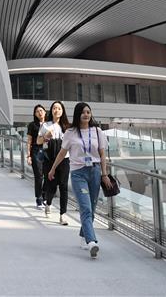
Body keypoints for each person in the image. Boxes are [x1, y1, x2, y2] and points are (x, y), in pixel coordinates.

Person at [49, 102, 112, 259]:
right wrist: (53, 168)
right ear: (78, 114)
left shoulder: (97, 131)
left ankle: (84, 236)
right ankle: (91, 241)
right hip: (78, 173)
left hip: (95, 172)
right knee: (86, 208)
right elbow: (62, 153)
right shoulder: (71, 132)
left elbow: (102, 154)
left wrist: (104, 174)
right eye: (83, 112)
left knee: (92, 207)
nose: (86, 114)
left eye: (88, 112)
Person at [38, 100, 70, 224]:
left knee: (63, 186)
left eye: (59, 108)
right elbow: (38, 141)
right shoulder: (46, 125)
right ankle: (48, 203)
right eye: (54, 108)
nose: (57, 110)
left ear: (63, 111)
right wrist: (46, 136)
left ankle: (63, 214)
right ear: (51, 111)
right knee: (51, 185)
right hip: (49, 159)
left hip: (64, 159)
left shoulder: (67, 127)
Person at [26, 104, 46, 209]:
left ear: (45, 112)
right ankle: (39, 198)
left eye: (41, 110)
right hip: (36, 151)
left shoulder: (50, 124)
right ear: (35, 114)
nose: (40, 112)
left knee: (48, 175)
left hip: (48, 151)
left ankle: (45, 196)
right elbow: (29, 141)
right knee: (38, 176)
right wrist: (28, 155)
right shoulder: (32, 125)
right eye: (37, 111)